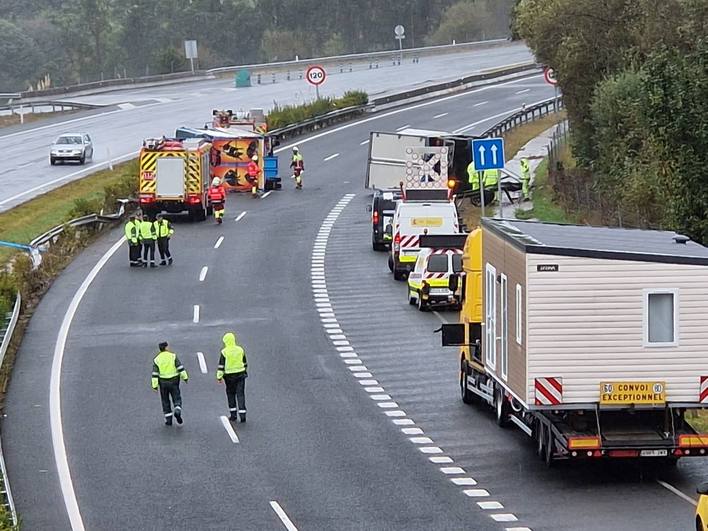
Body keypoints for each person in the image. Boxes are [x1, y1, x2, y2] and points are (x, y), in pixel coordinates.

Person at [151, 341, 189, 426]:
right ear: (166, 347)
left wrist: (154, 385)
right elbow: (180, 367)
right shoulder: (173, 356)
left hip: (163, 382)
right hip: (174, 380)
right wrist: (185, 377)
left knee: (165, 400)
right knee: (176, 397)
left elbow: (155, 373)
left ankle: (168, 419)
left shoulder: (157, 359)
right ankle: (177, 408)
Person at [216, 332, 248, 423]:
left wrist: (219, 377)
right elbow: (245, 362)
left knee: (231, 394)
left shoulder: (224, 352)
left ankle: (233, 415)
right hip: (240, 374)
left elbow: (221, 366)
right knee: (240, 394)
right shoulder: (240, 350)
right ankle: (243, 415)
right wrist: (244, 369)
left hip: (229, 376)